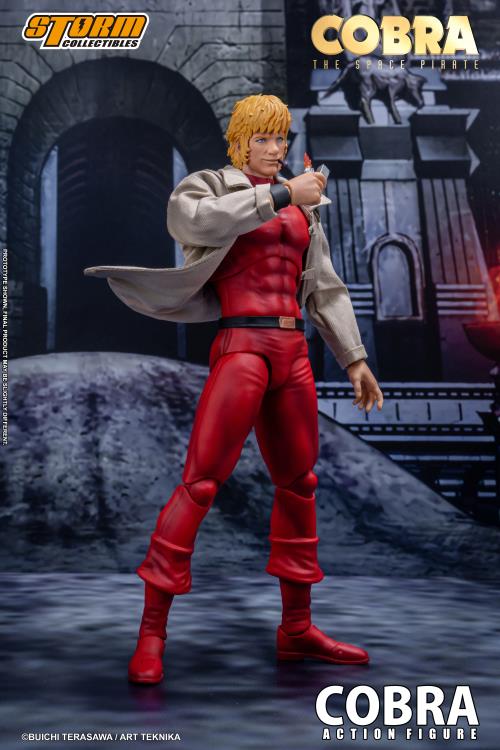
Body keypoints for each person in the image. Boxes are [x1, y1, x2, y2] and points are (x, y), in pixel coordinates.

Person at [84, 94, 383, 685]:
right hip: (242, 344)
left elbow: (323, 286)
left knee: (299, 484)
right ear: (240, 141)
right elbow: (193, 223)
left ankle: (296, 629)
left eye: (281, 138)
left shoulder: (303, 211)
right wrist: (281, 195)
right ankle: (151, 633)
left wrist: (354, 358)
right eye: (263, 138)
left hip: (292, 351)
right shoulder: (213, 187)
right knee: (200, 483)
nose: (275, 148)